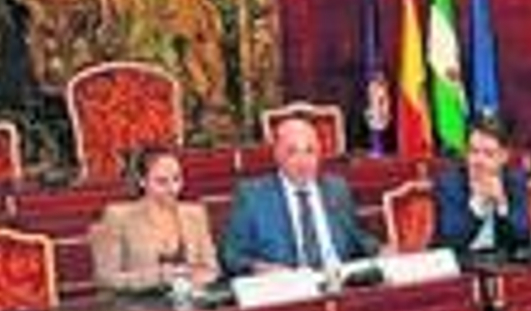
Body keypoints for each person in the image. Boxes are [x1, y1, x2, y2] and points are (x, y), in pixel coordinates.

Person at [221, 116, 378, 275]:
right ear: (277, 154)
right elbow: (231, 256)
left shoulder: (337, 189)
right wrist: (260, 268)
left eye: (310, 151)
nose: (303, 161)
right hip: (288, 289)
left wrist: (385, 254)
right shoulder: (253, 195)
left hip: (339, 282)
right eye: (292, 152)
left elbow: (359, 241)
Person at [90, 147, 219, 292]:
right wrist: (158, 278)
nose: (173, 189)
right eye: (162, 182)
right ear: (142, 181)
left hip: (190, 303)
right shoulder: (118, 217)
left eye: (177, 179)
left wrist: (201, 277)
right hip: (137, 306)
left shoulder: (195, 214)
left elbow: (212, 268)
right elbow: (105, 278)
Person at [432, 115, 531, 254]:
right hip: (463, 266)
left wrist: (502, 204)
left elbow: (524, 236)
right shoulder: (450, 183)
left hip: (503, 264)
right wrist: (479, 203)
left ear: (503, 157)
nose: (479, 161)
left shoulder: (515, 181)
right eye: (474, 152)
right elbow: (451, 240)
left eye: (488, 154)